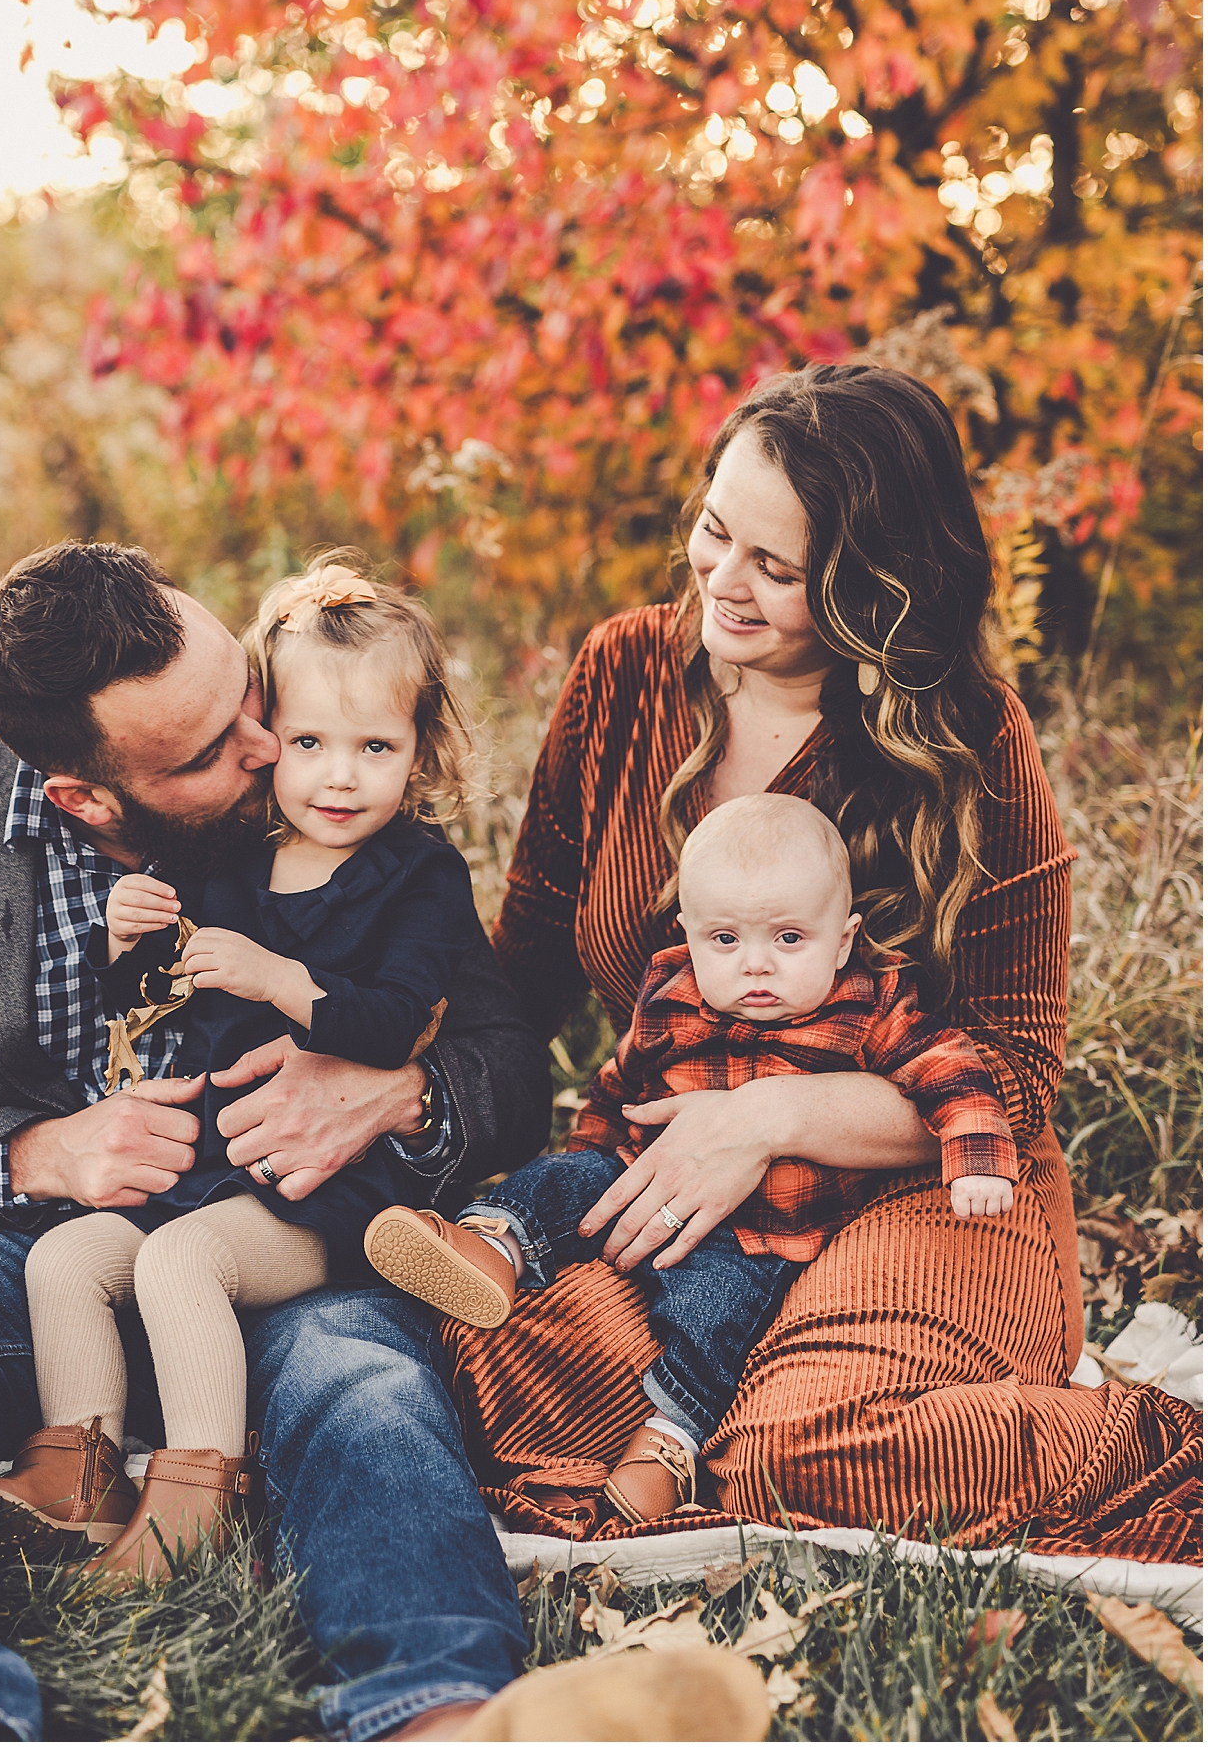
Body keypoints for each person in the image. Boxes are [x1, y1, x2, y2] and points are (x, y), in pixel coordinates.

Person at [0, 540, 760, 1745]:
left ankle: (443, 1711)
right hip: (25, 1265)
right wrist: (35, 1156)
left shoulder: (333, 822)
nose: (269, 749)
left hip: (274, 1246)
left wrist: (398, 1095)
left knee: (367, 1386)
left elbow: (502, 1064)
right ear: (86, 796)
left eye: (249, 697)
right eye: (216, 749)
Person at [438, 363, 1198, 1559]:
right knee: (475, 1369)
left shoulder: (971, 740)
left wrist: (770, 1118)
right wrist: (404, 1088)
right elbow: (522, 966)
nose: (720, 583)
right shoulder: (626, 675)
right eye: (712, 529)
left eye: (775, 570)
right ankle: (697, 1403)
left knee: (797, 1449)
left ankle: (1140, 1437)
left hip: (931, 1180)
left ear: (874, 594)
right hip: (685, 1163)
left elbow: (1013, 1071)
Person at [0, 556, 489, 1582]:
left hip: (328, 1190)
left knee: (178, 1266)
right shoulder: (229, 861)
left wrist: (279, 977)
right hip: (216, 1171)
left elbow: (398, 1022)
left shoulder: (417, 875)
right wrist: (125, 950)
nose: (336, 776)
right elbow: (154, 1011)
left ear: (419, 750)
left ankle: (196, 1509)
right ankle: (75, 1478)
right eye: (307, 742)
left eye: (374, 747)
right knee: (65, 1263)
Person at [366, 790, 1017, 1525]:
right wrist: (590, 1165)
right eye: (726, 941)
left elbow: (950, 1069)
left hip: (759, 1237)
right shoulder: (670, 992)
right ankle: (491, 1245)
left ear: (844, 939)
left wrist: (977, 1153)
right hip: (645, 1178)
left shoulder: (869, 1003)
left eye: (790, 940)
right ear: (690, 935)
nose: (756, 967)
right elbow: (621, 1089)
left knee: (717, 1321)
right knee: (560, 1180)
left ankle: (668, 1442)